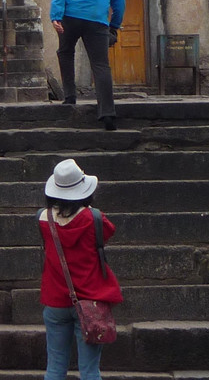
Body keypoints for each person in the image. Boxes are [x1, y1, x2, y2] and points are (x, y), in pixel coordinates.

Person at [39, 159, 123, 380]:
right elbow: (108, 232)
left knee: (55, 367)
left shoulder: (43, 218)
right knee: (89, 370)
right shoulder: (93, 218)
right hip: (90, 302)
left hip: (55, 300)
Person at [50, 0, 125, 130]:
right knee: (101, 66)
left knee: (65, 53)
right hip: (98, 20)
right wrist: (114, 26)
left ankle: (70, 96)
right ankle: (107, 113)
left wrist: (55, 16)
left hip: (71, 17)